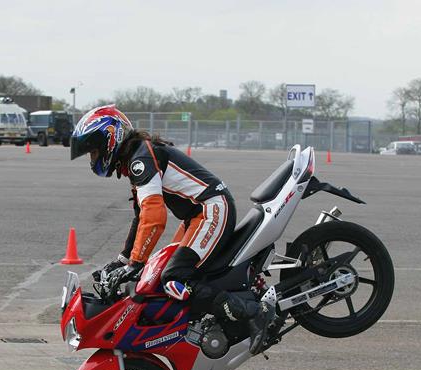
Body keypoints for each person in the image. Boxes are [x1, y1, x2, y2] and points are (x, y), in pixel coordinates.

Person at [69, 105, 273, 353]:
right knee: (164, 271)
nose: (93, 158)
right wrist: (123, 260)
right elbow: (141, 217)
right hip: (198, 216)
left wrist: (134, 263)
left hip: (210, 210)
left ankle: (252, 314)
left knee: (174, 278)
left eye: (93, 150)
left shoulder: (140, 161)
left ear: (110, 138)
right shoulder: (138, 156)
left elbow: (154, 219)